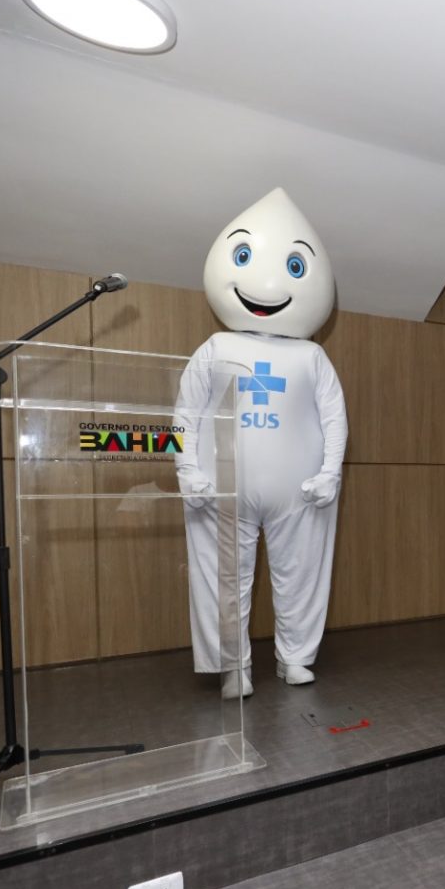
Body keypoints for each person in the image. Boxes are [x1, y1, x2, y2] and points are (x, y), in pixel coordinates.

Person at [175, 188, 347, 700]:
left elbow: (334, 417)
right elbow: (185, 413)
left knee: (302, 573)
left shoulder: (312, 356)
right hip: (221, 488)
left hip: (302, 491)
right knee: (222, 577)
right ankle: (233, 666)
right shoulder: (215, 347)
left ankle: (295, 658)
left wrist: (330, 471)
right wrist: (187, 470)